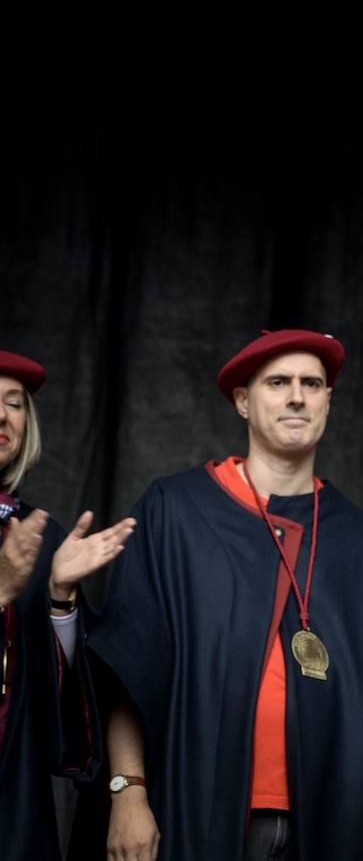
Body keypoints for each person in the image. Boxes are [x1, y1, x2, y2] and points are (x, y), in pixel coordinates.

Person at [88, 330, 363, 861]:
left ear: (328, 401)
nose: (297, 396)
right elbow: (129, 671)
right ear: (243, 402)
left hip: (334, 823)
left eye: (312, 383)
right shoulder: (175, 514)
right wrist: (128, 791)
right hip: (199, 812)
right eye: (278, 382)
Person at [0, 349, 135, 859]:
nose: (2, 415)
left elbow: (69, 718)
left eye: (15, 403)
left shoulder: (39, 536)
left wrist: (60, 599)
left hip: (15, 805)